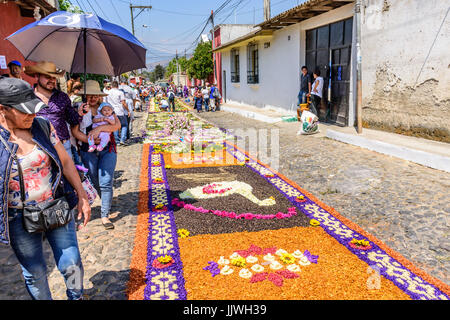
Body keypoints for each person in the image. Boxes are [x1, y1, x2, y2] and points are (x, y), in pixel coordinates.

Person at [0, 76, 91, 300]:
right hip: (17, 218)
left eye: (34, 109)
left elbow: (66, 161)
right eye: (25, 111)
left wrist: (82, 196)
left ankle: (76, 295)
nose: (32, 114)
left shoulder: (42, 125)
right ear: (3, 109)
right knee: (35, 271)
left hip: (55, 206)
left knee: (72, 263)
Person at [73, 80, 121, 230]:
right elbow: (75, 131)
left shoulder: (106, 108)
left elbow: (117, 125)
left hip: (108, 149)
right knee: (94, 179)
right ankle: (106, 200)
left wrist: (100, 130)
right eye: (90, 95)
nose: (93, 98)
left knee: (106, 182)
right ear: (84, 95)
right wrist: (90, 137)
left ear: (100, 97)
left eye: (96, 95)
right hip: (89, 150)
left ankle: (104, 214)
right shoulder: (79, 110)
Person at [24, 61, 83, 160]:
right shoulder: (28, 97)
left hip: (63, 146)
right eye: (47, 77)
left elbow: (73, 120)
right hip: (37, 148)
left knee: (68, 174)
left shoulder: (62, 97)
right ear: (36, 76)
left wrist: (80, 113)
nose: (52, 80)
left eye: (54, 77)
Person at [104, 81, 129, 146]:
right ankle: (122, 140)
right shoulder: (120, 92)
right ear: (117, 86)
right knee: (124, 125)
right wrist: (128, 110)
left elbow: (105, 103)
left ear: (111, 86)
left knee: (115, 126)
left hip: (111, 111)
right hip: (119, 110)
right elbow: (123, 103)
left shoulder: (107, 92)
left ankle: (117, 141)